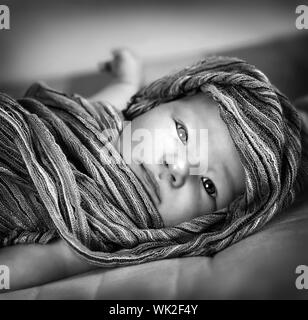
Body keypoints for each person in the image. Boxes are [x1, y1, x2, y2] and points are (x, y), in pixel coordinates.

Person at [0, 48, 307, 291]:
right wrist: (126, 81)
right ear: (157, 104)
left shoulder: (108, 235)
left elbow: (44, 263)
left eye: (208, 185)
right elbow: (116, 100)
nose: (178, 167)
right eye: (183, 134)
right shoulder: (106, 119)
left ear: (205, 224)